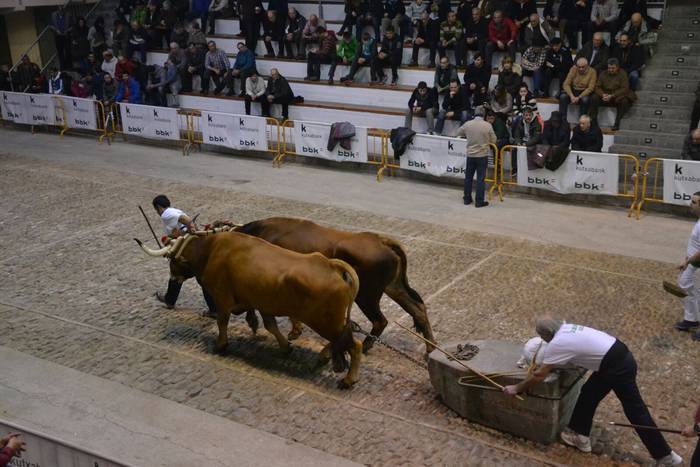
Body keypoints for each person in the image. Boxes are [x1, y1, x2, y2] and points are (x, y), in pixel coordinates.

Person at [503, 318, 683, 466]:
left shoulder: (556, 344)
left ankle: (666, 456)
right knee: (589, 394)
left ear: (546, 335)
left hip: (617, 366)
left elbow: (539, 375)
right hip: (614, 358)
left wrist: (516, 388)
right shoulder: (567, 327)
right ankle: (580, 436)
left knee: (635, 410)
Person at [151, 195, 217, 315]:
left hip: (187, 249)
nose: (158, 213)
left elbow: (184, 219)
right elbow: (183, 225)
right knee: (177, 272)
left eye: (156, 210)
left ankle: (214, 309)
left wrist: (190, 226)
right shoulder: (174, 210)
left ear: (159, 207)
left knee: (195, 276)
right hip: (186, 244)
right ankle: (170, 300)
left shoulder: (166, 213)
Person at [457, 105, 496, 208]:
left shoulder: (468, 124)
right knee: (480, 179)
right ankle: (479, 201)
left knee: (468, 178)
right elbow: (494, 140)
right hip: (482, 155)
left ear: (474, 113)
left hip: (470, 154)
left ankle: (467, 199)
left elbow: (458, 132)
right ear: (483, 114)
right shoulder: (487, 125)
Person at [676, 191, 700, 339]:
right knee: (684, 285)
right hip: (693, 262)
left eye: (694, 202)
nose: (690, 204)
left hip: (696, 263)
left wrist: (688, 261)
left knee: (689, 288)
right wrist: (687, 260)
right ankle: (692, 319)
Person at [589, 58, 634, 130]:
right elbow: (597, 87)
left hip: (616, 96)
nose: (611, 70)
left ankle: (617, 123)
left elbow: (625, 88)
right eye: (609, 68)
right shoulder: (603, 73)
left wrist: (612, 95)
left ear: (617, 67)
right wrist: (603, 94)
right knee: (594, 97)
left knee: (624, 101)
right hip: (605, 95)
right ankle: (593, 122)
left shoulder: (623, 73)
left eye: (613, 68)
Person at [559, 57, 596, 123]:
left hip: (584, 92)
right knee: (563, 97)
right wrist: (571, 96)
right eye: (579, 67)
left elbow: (590, 88)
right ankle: (563, 121)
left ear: (587, 66)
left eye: (583, 67)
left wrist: (579, 97)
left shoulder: (592, 72)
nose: (580, 69)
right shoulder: (573, 69)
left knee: (585, 100)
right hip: (573, 91)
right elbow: (566, 84)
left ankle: (582, 121)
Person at [51, 5, 73, 69]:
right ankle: (63, 67)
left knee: (68, 51)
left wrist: (68, 30)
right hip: (58, 36)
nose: (61, 11)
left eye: (62, 10)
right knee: (60, 52)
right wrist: (56, 30)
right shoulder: (53, 15)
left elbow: (72, 25)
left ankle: (69, 66)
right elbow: (51, 26)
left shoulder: (68, 15)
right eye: (59, 10)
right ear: (57, 10)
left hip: (66, 35)